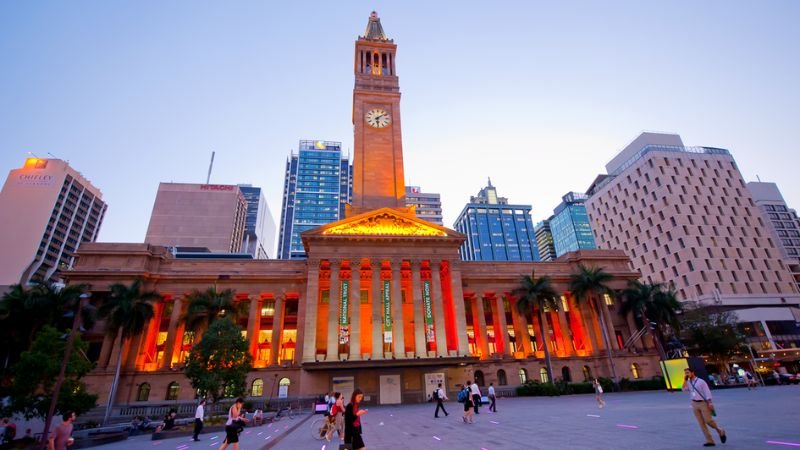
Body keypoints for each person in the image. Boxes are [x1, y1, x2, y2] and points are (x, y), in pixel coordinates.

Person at [682, 368, 727, 447]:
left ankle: (720, 430)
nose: (686, 374)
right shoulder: (688, 382)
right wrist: (685, 380)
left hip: (703, 403)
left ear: (693, 372)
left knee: (708, 421)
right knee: (701, 423)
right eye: (685, 373)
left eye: (688, 372)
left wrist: (710, 403)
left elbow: (707, 392)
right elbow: (684, 389)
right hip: (694, 403)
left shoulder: (701, 381)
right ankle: (710, 441)